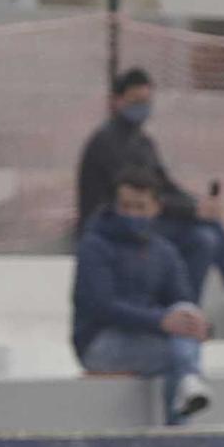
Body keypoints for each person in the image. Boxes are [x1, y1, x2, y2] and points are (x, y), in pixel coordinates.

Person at [76, 67, 224, 315]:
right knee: (205, 233)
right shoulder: (107, 142)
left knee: (205, 237)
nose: (142, 108)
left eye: (146, 101)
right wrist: (193, 210)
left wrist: (199, 205)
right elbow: (138, 196)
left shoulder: (143, 142)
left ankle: (187, 308)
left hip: (146, 216)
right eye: (135, 101)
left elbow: (164, 185)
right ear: (117, 101)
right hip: (116, 224)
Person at [72, 169, 213, 423]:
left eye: (140, 207)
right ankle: (178, 426)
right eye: (125, 206)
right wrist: (160, 321)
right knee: (176, 356)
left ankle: (187, 386)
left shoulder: (163, 251)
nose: (132, 214)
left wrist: (195, 322)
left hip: (145, 335)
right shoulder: (95, 245)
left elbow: (181, 297)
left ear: (156, 208)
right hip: (99, 340)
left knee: (183, 329)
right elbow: (102, 306)